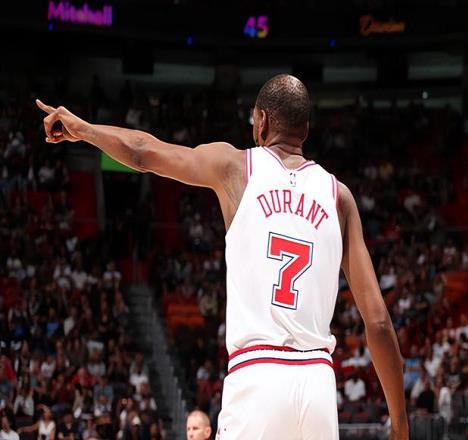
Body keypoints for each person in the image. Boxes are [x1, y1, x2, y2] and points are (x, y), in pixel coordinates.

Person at [36, 73, 408, 439]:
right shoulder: (339, 196)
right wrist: (400, 426)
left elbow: (142, 151)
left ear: (261, 121)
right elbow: (378, 322)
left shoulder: (236, 167)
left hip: (257, 374)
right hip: (318, 385)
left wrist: (84, 129)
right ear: (306, 130)